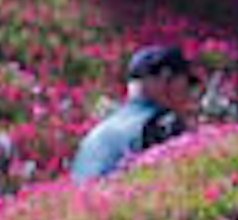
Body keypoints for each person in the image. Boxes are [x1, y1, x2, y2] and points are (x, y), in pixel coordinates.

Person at [75, 43, 204, 181]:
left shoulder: (96, 133)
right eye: (187, 83)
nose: (188, 92)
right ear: (165, 78)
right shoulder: (162, 124)